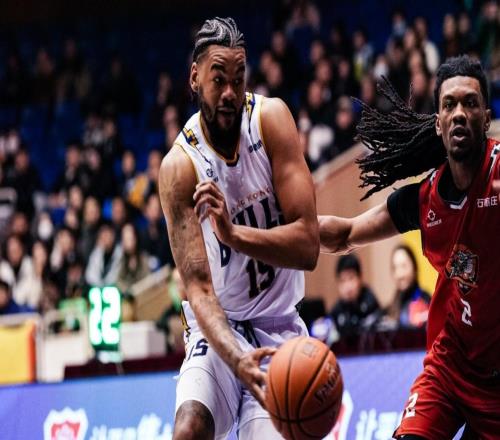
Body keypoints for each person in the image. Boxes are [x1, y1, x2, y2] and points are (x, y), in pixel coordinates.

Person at [319, 55, 500, 439]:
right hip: (450, 370)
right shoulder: (424, 200)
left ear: (486, 117)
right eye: (449, 104)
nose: (459, 113)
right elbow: (346, 234)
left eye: (470, 103)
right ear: (437, 122)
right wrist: (274, 227)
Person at [158, 17, 319, 440]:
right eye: (218, 80)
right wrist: (236, 357)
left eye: (238, 78)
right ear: (195, 78)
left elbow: (307, 245)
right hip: (219, 329)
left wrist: (233, 235)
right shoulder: (180, 167)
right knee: (189, 429)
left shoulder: (271, 121)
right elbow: (198, 289)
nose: (230, 92)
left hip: (278, 327)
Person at [329, 254, 380, 339]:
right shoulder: (336, 311)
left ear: (360, 278)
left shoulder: (371, 303)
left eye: (351, 278)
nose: (348, 286)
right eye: (342, 281)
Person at [385, 245, 431, 329]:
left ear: (414, 268)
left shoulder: (426, 301)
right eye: (395, 268)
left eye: (404, 266)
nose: (399, 274)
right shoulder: (391, 308)